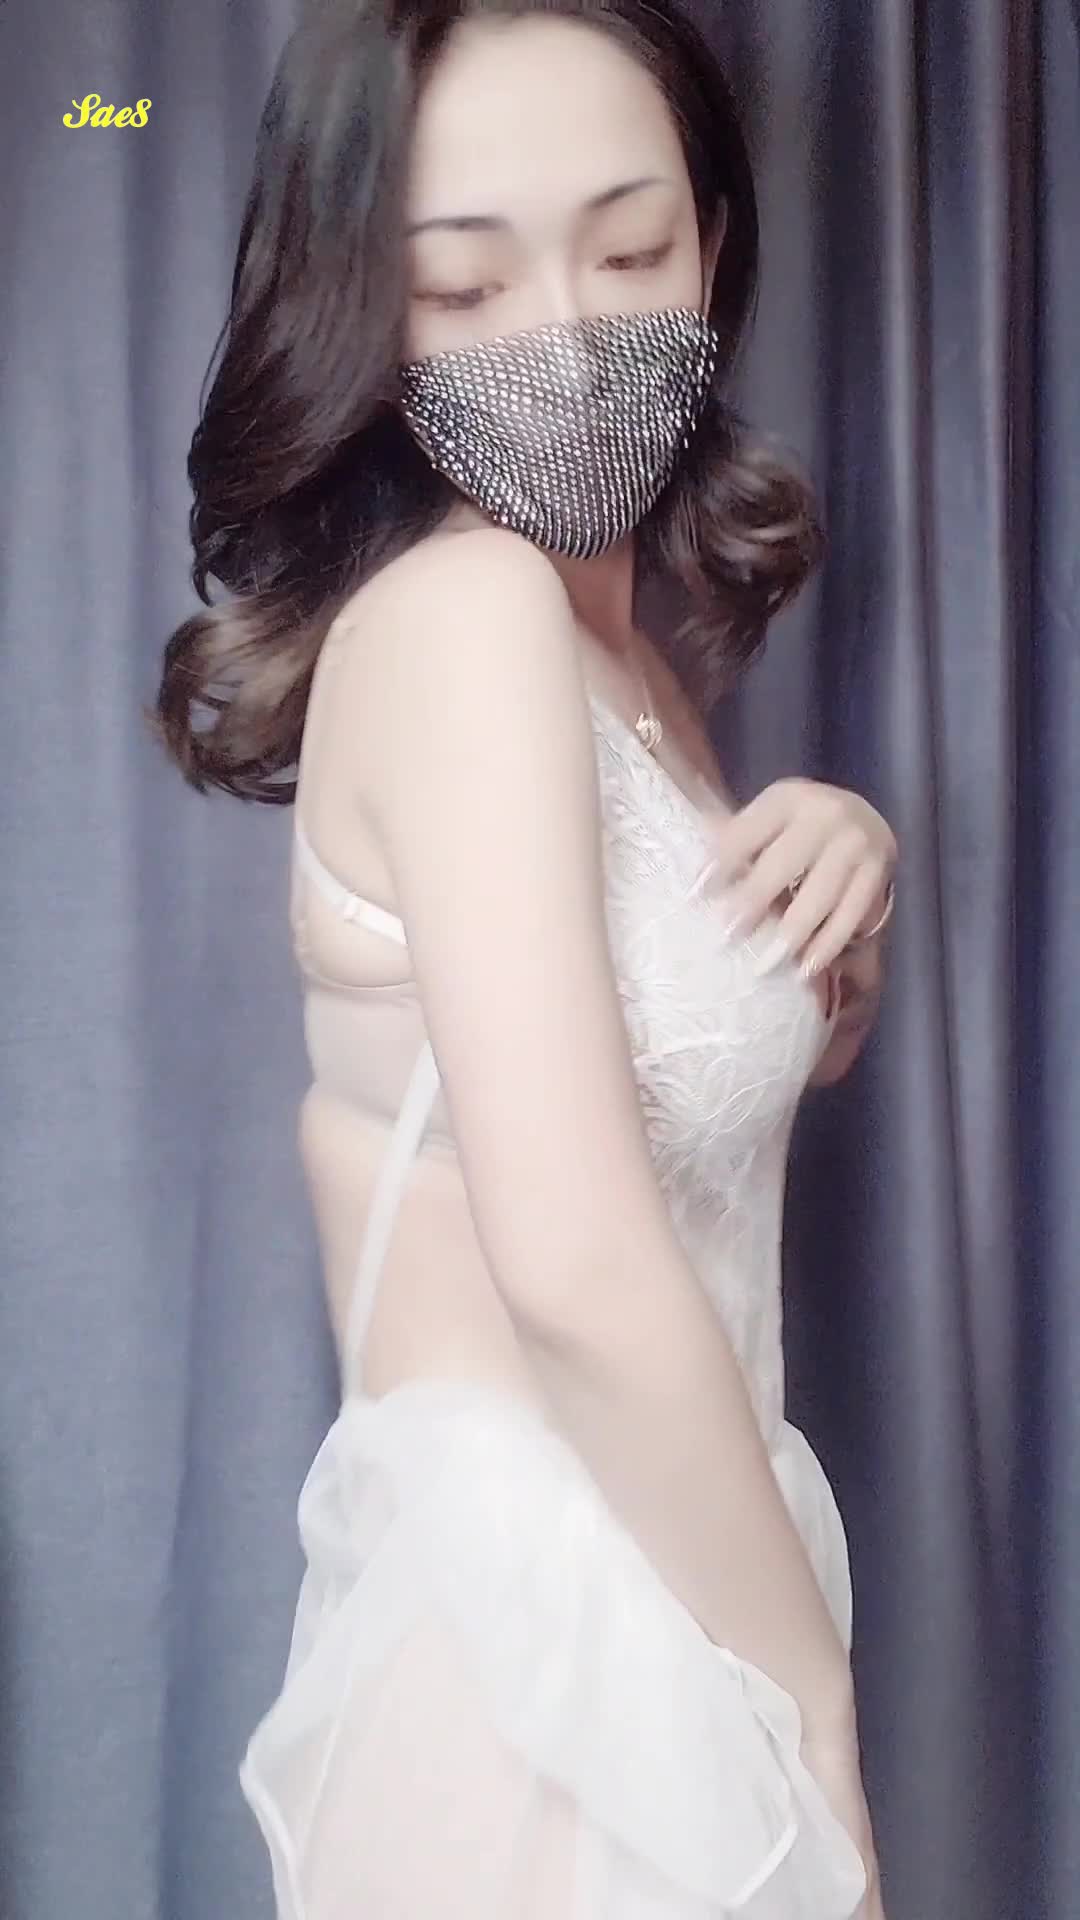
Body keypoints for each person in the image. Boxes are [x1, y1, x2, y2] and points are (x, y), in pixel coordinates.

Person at [157, 2, 898, 1913]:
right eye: (463, 286)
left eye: (629, 252)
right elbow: (567, 1257)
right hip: (545, 1661)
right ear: (367, 318)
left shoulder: (627, 673)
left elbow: (699, 1093)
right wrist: (812, 1702)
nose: (565, 336)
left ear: (711, 249)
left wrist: (839, 882)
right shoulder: (468, 614)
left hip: (668, 1582)